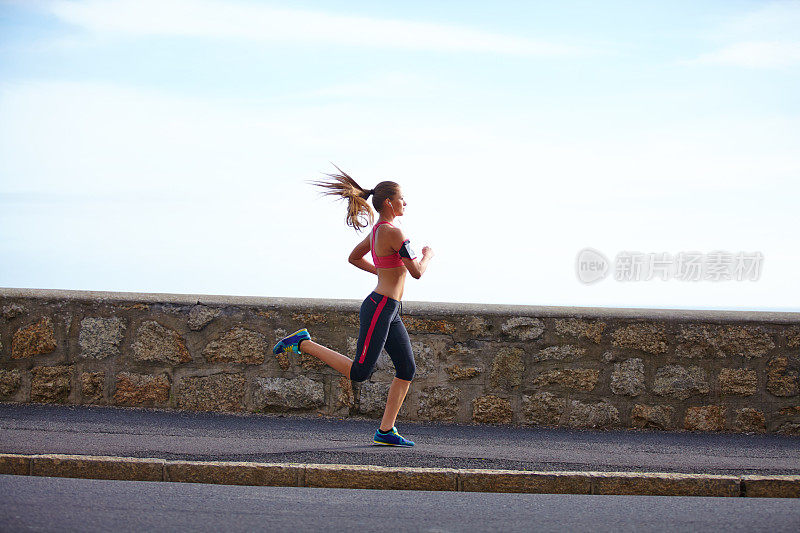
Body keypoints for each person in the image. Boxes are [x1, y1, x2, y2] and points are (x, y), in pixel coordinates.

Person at [272, 167, 434, 447]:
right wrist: (429, 255)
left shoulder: (376, 233)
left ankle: (386, 431)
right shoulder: (394, 233)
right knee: (360, 372)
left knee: (406, 369)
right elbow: (417, 271)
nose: (405, 203)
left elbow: (354, 258)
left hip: (390, 309)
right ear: (388, 203)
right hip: (380, 307)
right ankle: (304, 342)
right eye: (402, 199)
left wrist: (383, 274)